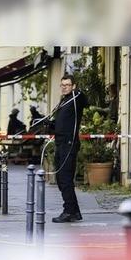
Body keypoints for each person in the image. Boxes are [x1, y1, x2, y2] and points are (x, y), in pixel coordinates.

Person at [51, 74, 89, 223]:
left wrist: (76, 91)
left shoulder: (76, 98)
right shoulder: (64, 101)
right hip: (60, 143)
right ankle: (75, 211)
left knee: (65, 178)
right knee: (60, 178)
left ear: (73, 86)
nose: (64, 87)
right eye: (62, 85)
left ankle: (69, 211)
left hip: (69, 143)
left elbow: (84, 99)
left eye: (67, 85)